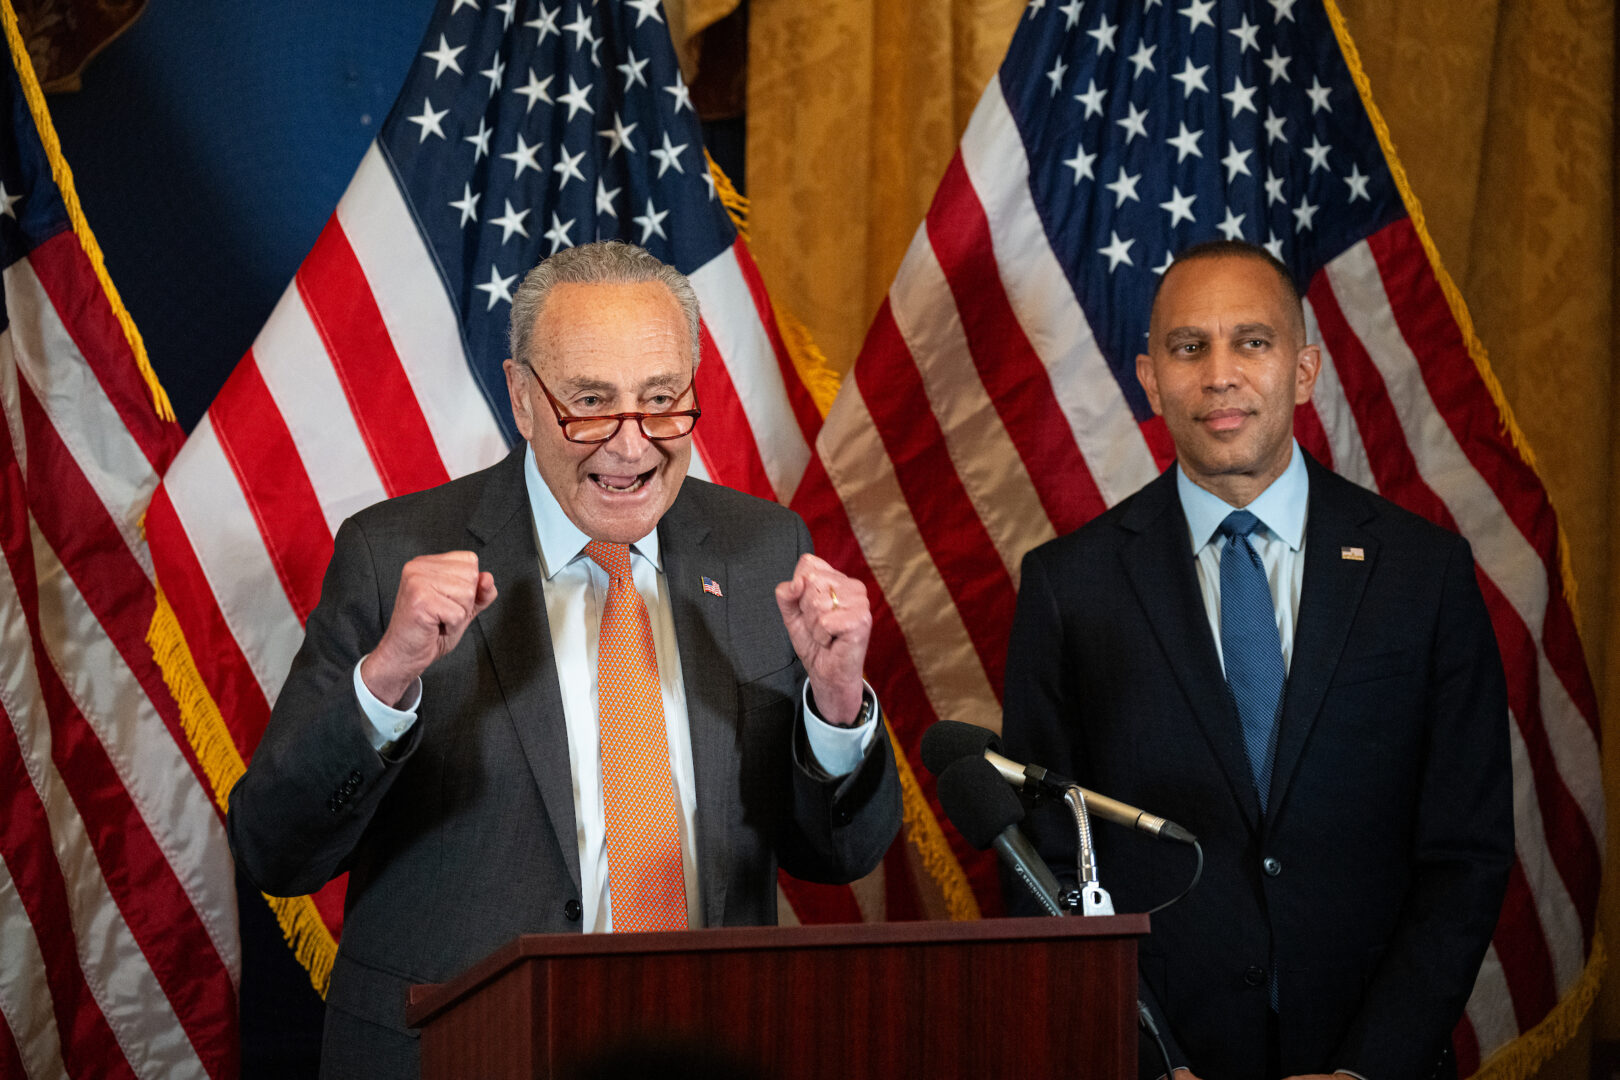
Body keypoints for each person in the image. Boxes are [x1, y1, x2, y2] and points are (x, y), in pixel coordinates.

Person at [228, 241, 902, 1079]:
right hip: (461, 1057)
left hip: (703, 1049)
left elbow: (839, 855)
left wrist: (838, 708)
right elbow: (276, 851)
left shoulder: (763, 549)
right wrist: (387, 681)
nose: (631, 447)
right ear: (522, 396)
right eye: (591, 403)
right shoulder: (392, 554)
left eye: (662, 401)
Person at [999, 241, 1511, 1079]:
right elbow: (1041, 857)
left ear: (1305, 370)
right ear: (1149, 377)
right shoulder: (1070, 587)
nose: (1220, 375)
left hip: (1373, 1055)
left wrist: (1365, 1070)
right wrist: (1151, 1061)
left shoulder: (1425, 575)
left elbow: (1466, 854)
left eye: (1253, 342)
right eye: (1188, 347)